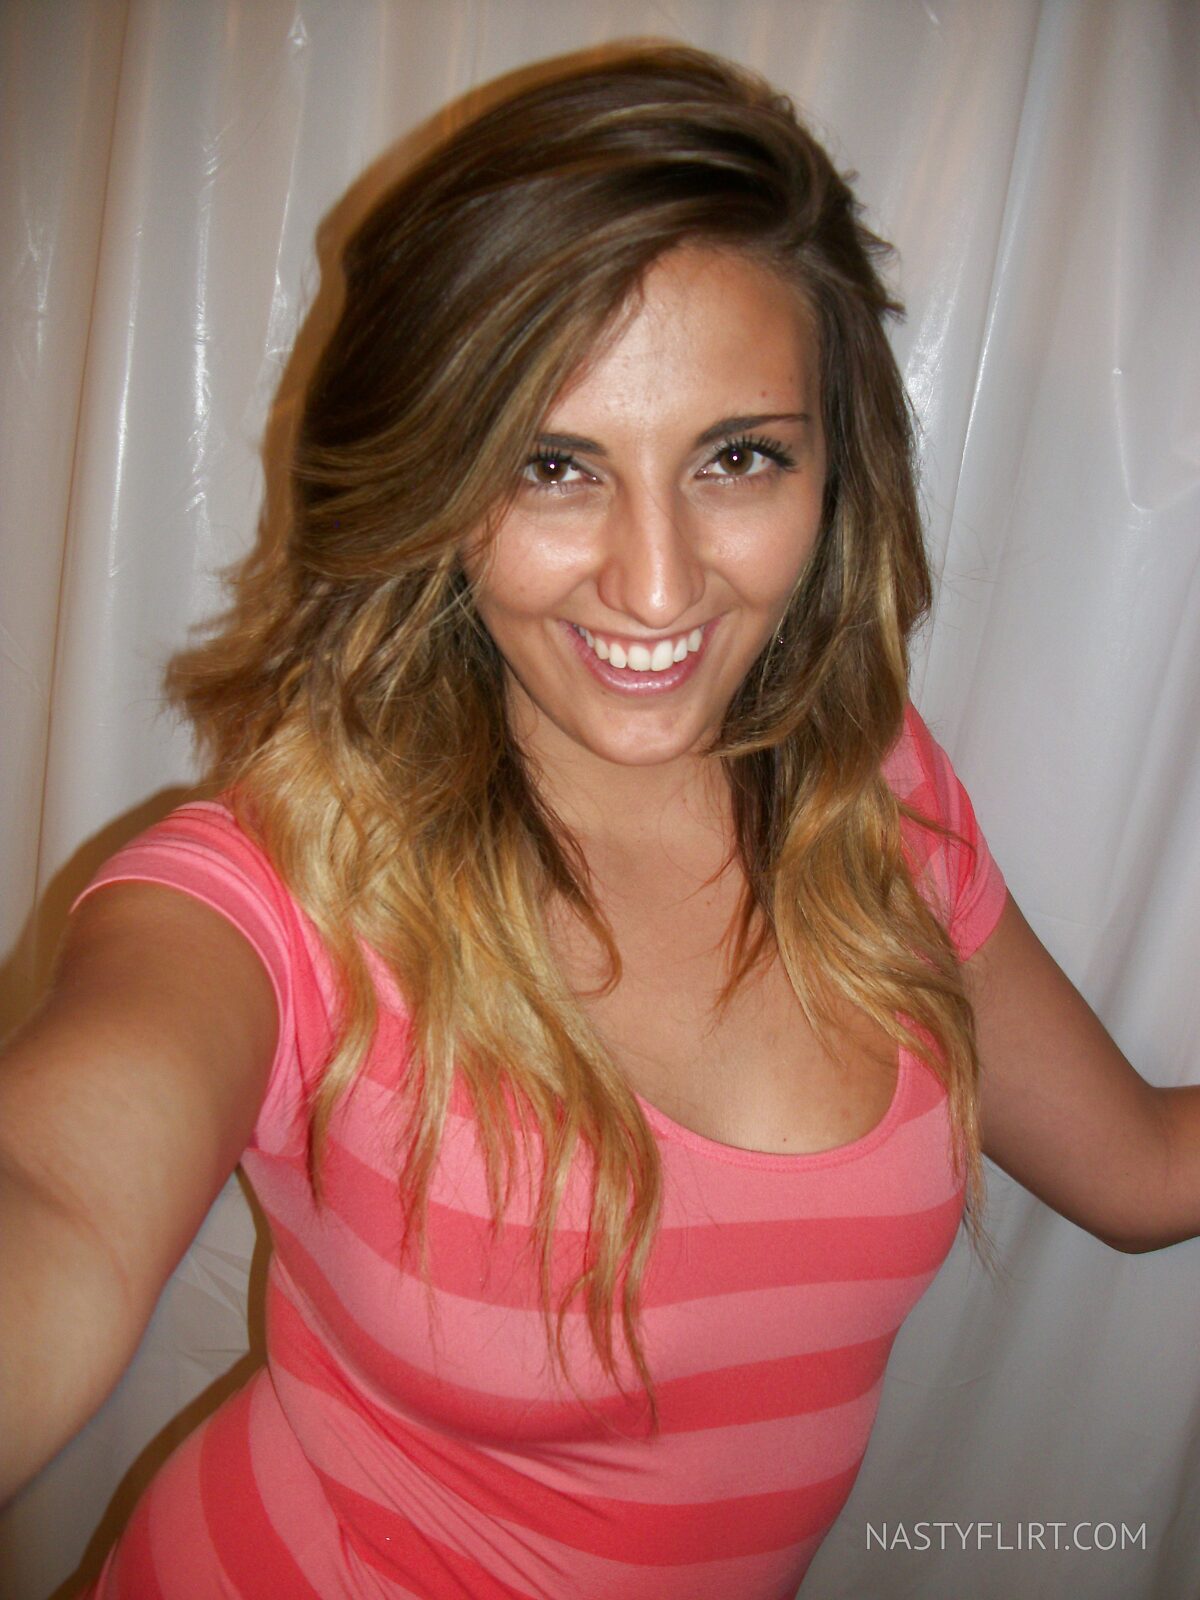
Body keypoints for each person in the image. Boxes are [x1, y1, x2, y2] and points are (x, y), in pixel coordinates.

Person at [1, 43, 1196, 1600]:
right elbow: (57, 1203)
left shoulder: (874, 808)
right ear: (436, 481)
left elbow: (1141, 1171)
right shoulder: (282, 885)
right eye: (552, 466)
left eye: (737, 457)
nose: (656, 582)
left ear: (835, 471)